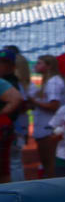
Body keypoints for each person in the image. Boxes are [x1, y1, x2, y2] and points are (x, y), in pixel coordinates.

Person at [26, 55, 65, 180]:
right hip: (47, 128)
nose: (36, 65)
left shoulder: (53, 82)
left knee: (50, 165)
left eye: (39, 63)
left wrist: (34, 101)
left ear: (49, 66)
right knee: (48, 164)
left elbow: (54, 105)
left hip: (49, 130)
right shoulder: (50, 81)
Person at [0, 48, 25, 181]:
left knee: (12, 164)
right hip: (12, 126)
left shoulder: (10, 81)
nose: (0, 65)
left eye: (4, 62)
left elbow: (18, 101)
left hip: (11, 126)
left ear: (12, 65)